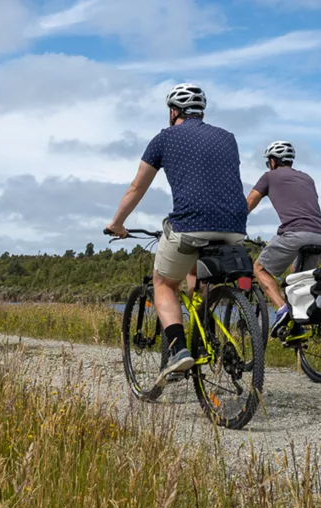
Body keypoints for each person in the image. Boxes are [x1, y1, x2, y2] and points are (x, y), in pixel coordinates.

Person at [105, 83, 249, 389]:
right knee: (197, 278)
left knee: (164, 283)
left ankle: (179, 350)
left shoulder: (164, 138)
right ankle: (204, 330)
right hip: (234, 226)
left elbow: (137, 187)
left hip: (190, 224)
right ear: (201, 111)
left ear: (173, 111)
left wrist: (117, 223)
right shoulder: (228, 138)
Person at [246, 141, 321, 332]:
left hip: (295, 233)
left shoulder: (269, 176)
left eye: (269, 162)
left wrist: (232, 224)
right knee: (296, 279)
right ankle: (297, 327)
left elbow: (248, 204)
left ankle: (282, 309)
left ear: (273, 161)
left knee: (259, 269)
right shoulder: (307, 179)